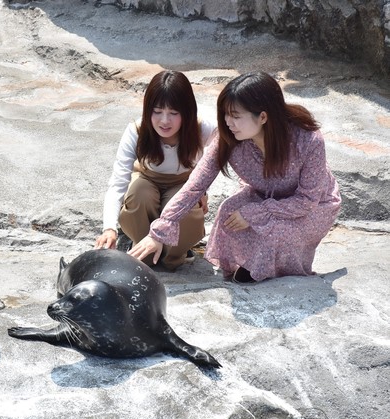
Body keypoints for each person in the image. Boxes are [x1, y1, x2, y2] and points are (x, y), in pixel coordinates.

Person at [128, 71, 341, 283]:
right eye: (226, 115)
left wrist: (254, 212)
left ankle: (276, 272)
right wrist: (160, 230)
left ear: (263, 117)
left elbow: (307, 201)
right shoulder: (229, 139)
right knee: (228, 212)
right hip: (263, 195)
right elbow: (195, 185)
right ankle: (249, 265)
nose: (228, 122)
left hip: (314, 205)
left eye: (236, 116)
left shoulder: (308, 140)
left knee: (277, 231)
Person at [94, 70, 217, 270]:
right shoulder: (136, 131)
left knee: (184, 207)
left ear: (187, 112)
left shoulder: (204, 128)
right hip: (146, 180)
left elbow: (218, 161)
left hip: (183, 184)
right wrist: (109, 228)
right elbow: (117, 183)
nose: (164, 121)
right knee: (140, 193)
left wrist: (201, 190)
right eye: (157, 112)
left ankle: (174, 254)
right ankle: (141, 247)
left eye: (174, 113)